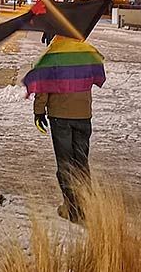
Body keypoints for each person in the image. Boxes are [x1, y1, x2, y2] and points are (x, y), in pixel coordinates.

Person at [34, 89, 93, 223]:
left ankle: (73, 209)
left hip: (60, 115)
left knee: (65, 164)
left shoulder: (51, 66)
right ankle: (86, 205)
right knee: (81, 163)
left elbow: (44, 82)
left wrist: (39, 111)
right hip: (83, 113)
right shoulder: (85, 66)